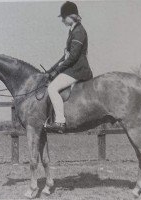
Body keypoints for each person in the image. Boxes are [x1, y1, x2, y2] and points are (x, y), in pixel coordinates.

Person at [46, 1, 93, 133]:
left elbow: (72, 57)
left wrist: (57, 71)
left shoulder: (79, 32)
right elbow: (65, 56)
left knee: (52, 88)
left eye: (63, 17)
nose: (62, 20)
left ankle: (60, 122)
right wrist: (51, 70)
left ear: (71, 16)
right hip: (73, 68)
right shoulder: (73, 31)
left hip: (78, 69)